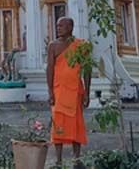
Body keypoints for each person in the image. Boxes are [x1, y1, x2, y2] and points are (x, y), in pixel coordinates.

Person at [47, 16, 90, 167]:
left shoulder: (81, 45)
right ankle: (58, 160)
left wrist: (87, 92)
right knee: (58, 124)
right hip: (59, 91)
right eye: (57, 26)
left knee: (76, 125)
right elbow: (50, 69)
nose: (58, 28)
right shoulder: (53, 46)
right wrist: (50, 91)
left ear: (70, 27)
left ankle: (76, 159)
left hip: (75, 91)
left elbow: (87, 69)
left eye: (61, 26)